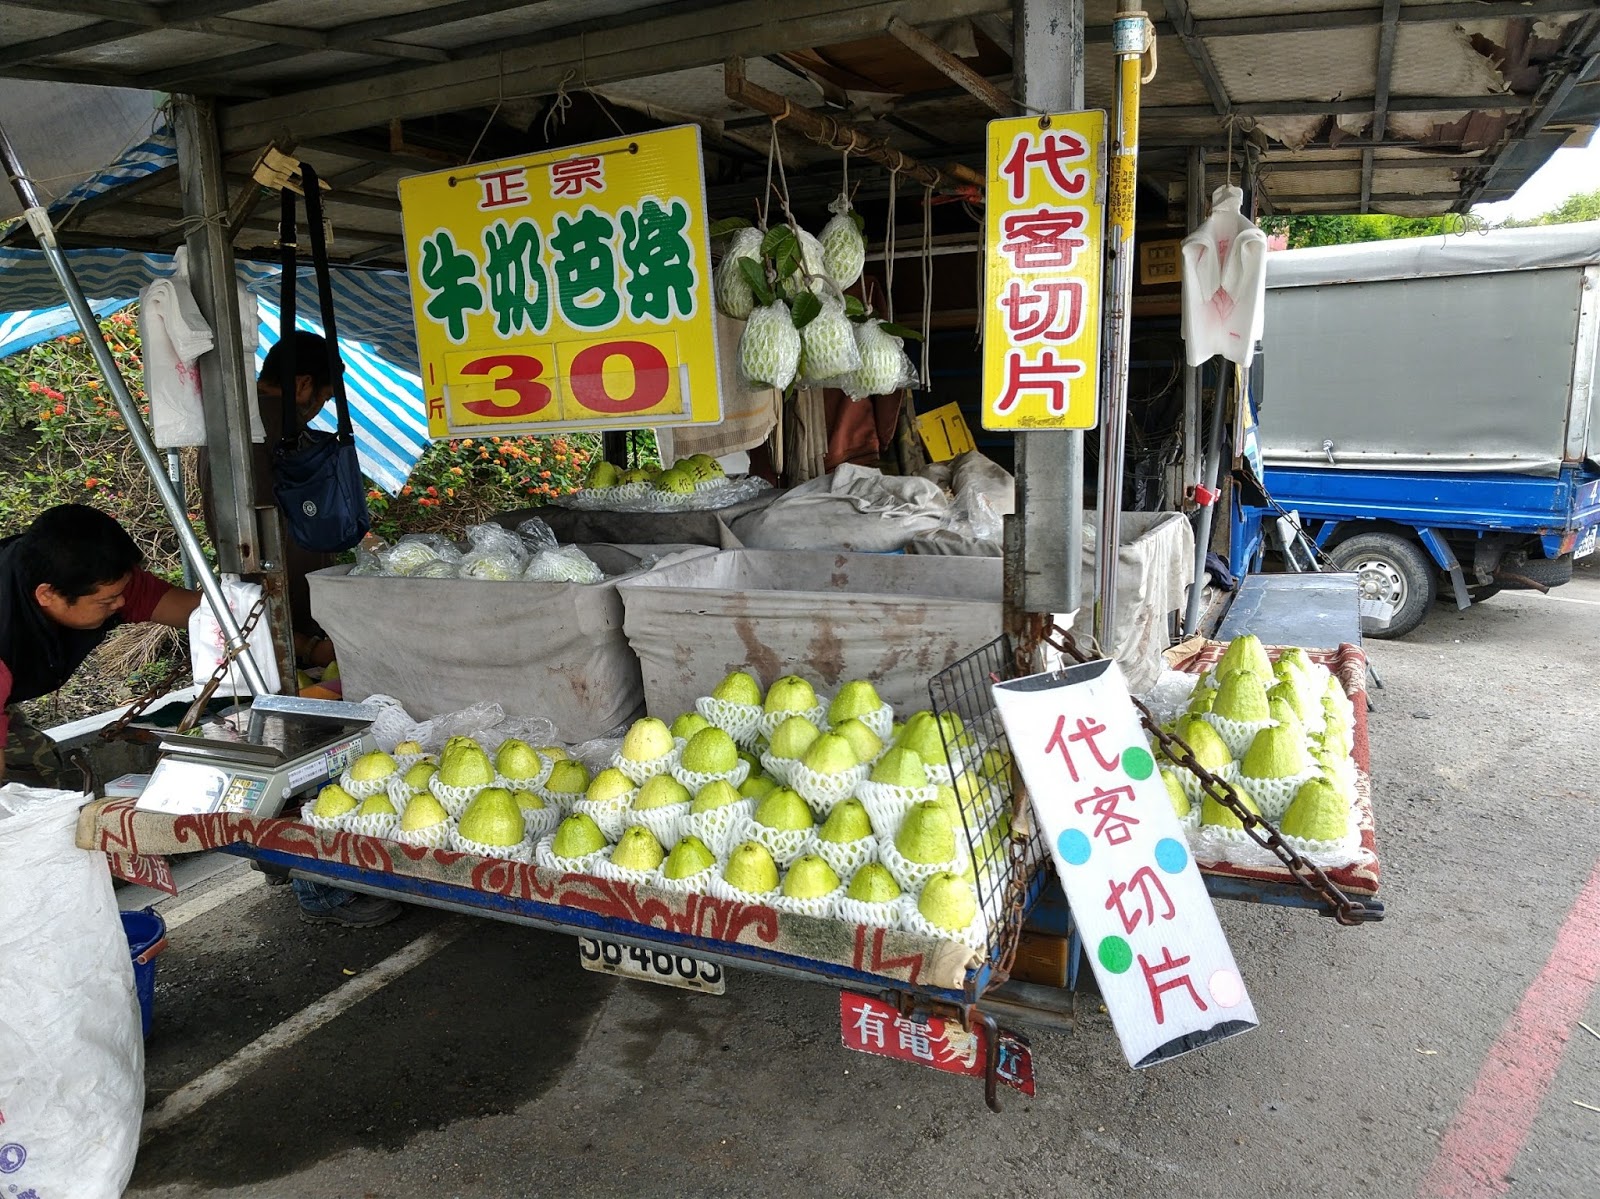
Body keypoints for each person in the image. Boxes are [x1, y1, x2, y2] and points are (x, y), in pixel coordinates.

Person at [0, 505, 399, 929]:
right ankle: (36, 917)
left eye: (122, 592)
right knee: (32, 815)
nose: (120, 604)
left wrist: (309, 648)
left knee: (50, 788)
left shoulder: (90, 574)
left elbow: (216, 618)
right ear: (47, 595)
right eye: (106, 601)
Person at [198, 329, 345, 672]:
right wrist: (308, 645)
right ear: (303, 384)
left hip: (246, 594)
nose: (318, 410)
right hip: (286, 609)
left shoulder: (226, 421)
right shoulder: (282, 426)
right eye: (324, 398)